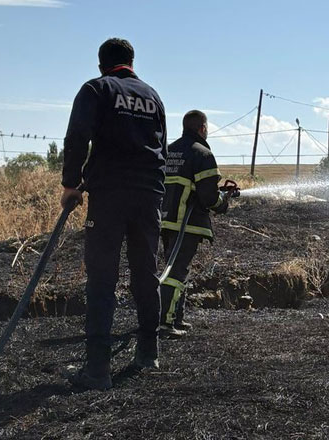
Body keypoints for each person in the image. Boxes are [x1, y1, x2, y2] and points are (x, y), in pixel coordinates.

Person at [61, 38, 167, 390]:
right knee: (145, 273)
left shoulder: (96, 88)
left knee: (102, 279)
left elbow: (78, 136)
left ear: (101, 64)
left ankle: (97, 370)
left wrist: (71, 184)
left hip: (109, 195)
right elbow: (161, 149)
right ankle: (148, 353)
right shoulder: (153, 97)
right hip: (149, 195)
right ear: (132, 62)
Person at [158, 110, 231, 339]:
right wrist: (222, 203)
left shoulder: (169, 151)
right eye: (206, 127)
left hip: (166, 220)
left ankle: (176, 316)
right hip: (186, 224)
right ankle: (165, 322)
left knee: (177, 267)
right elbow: (208, 197)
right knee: (175, 271)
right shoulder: (202, 154)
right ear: (202, 128)